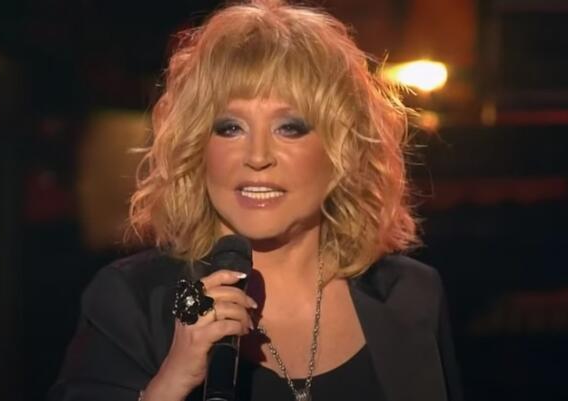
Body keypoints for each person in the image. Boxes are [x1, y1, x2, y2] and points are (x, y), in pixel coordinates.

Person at [50, 1, 463, 400]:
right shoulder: (130, 301)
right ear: (197, 146)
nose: (258, 156)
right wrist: (169, 385)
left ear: (342, 149)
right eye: (231, 128)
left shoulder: (411, 296)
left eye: (290, 127)